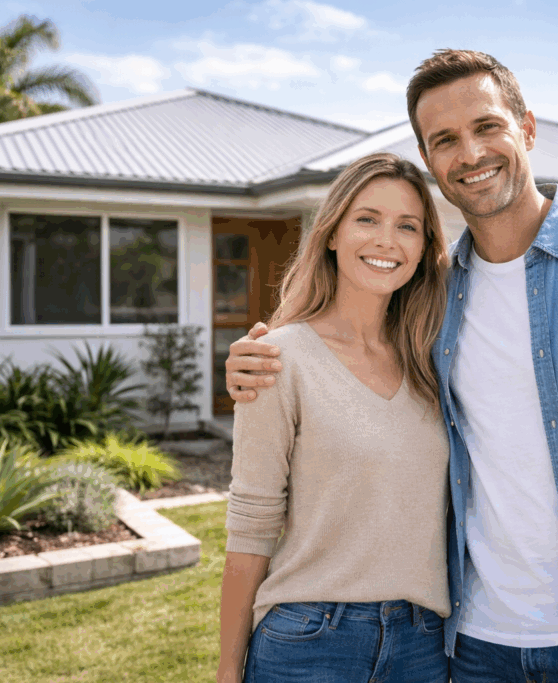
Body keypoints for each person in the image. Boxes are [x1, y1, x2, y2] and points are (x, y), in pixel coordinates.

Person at [225, 50, 558, 683]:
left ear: (527, 128)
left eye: (487, 126)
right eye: (445, 140)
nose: (470, 154)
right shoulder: (435, 300)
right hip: (473, 647)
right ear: (431, 161)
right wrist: (262, 356)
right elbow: (344, 359)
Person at [217, 152, 452, 683]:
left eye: (407, 226)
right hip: (309, 643)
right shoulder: (278, 357)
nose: (386, 241)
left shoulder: (434, 360)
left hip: (423, 646)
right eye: (367, 219)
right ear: (331, 233)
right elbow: (251, 526)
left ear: (424, 247)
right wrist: (229, 672)